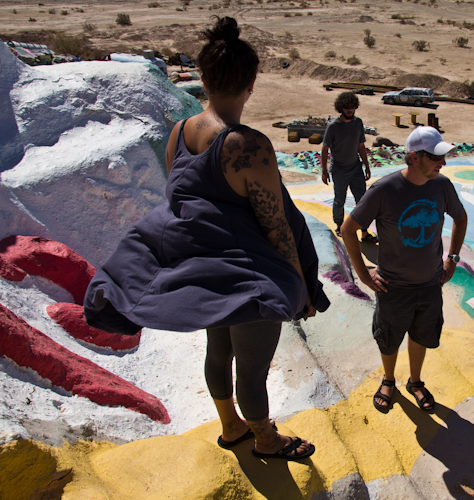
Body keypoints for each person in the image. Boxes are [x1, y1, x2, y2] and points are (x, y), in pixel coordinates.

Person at [84, 17, 329, 460]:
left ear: (202, 78)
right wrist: (299, 285)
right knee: (252, 372)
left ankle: (231, 426)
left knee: (219, 353)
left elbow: (187, 197)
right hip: (245, 271)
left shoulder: (179, 132)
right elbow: (275, 223)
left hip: (202, 267)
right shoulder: (246, 146)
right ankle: (267, 441)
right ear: (251, 84)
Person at [340, 126, 468, 414]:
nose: (442, 163)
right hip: (392, 286)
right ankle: (388, 381)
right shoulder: (384, 190)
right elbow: (349, 229)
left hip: (430, 283)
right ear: (414, 157)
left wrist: (452, 259)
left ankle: (416, 381)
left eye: (442, 157)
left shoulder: (442, 186)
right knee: (388, 337)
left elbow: (461, 218)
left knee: (422, 335)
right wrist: (363, 274)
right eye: (436, 157)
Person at [321, 91, 378, 242]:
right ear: (341, 108)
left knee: (363, 200)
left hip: (355, 169)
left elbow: (361, 146)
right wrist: (324, 171)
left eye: (352, 107)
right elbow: (325, 149)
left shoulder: (358, 123)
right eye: (346, 107)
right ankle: (339, 225)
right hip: (339, 170)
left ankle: (364, 232)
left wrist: (366, 165)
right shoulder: (333, 127)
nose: (350, 109)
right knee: (340, 200)